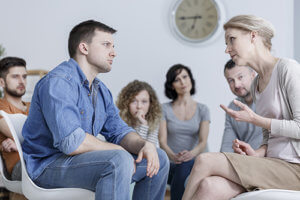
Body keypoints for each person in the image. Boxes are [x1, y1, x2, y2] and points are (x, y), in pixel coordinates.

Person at [21, 20, 169, 200]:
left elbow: (119, 131)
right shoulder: (58, 82)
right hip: (47, 166)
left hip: (79, 164)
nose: (113, 52)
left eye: (113, 46)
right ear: (84, 48)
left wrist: (144, 145)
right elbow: (72, 142)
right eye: (106, 45)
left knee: (158, 158)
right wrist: (119, 151)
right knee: (117, 160)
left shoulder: (100, 90)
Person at [183, 15, 300, 200]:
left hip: (294, 169)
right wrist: (257, 153)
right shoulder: (256, 85)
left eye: (232, 40)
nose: (227, 49)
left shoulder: (288, 69)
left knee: (205, 160)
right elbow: (269, 139)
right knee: (209, 186)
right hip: (272, 165)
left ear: (253, 36)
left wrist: (255, 119)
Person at [159, 64, 210, 200]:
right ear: (171, 85)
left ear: (190, 79)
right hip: (171, 163)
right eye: (177, 79)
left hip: (195, 162)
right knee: (180, 167)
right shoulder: (164, 109)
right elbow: (162, 141)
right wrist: (174, 156)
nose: (182, 82)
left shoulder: (203, 109)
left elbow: (203, 141)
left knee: (185, 165)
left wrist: (190, 155)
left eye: (185, 77)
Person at [0, 56, 29, 200]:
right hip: (20, 166)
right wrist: (20, 142)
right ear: (2, 82)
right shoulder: (1, 107)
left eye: (24, 76)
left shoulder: (34, 107)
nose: (22, 81)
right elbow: (20, 134)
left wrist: (21, 145)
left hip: (41, 158)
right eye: (15, 77)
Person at [221, 59, 262, 152]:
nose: (236, 85)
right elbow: (227, 146)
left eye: (240, 77)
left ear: (253, 75)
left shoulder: (269, 99)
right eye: (231, 80)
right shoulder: (232, 107)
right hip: (243, 160)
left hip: (267, 158)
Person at [116, 80, 161, 148]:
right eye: (134, 101)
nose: (139, 106)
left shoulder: (154, 121)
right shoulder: (119, 121)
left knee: (160, 153)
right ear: (126, 103)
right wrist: (143, 126)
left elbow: (151, 150)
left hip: (148, 157)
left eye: (144, 101)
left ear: (151, 104)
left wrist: (143, 124)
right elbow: (136, 149)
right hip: (127, 156)